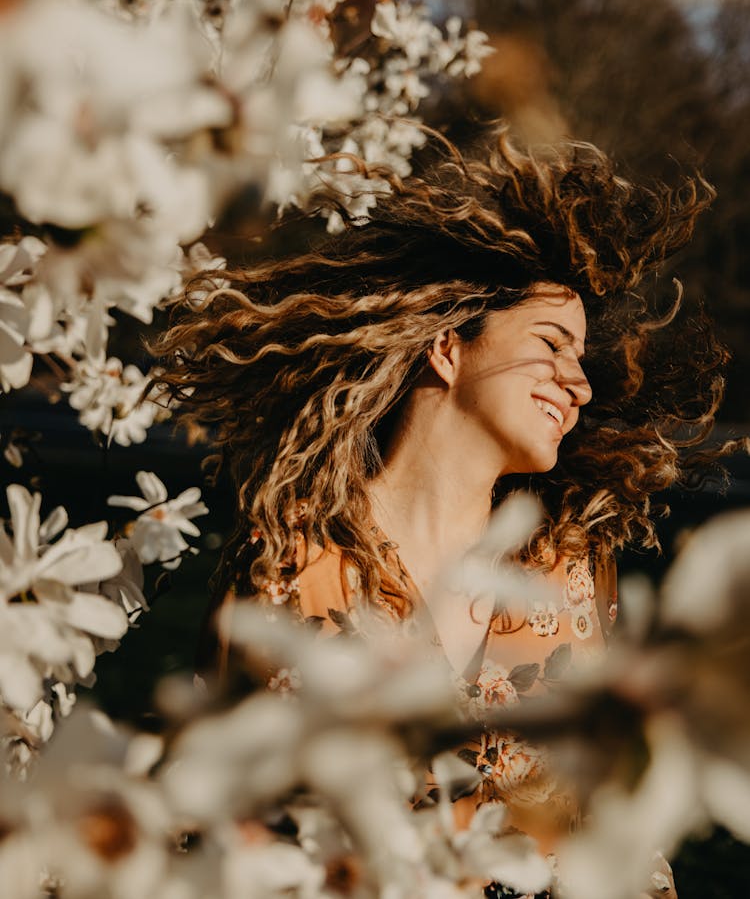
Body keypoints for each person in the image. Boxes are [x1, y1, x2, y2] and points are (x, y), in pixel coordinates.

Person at [155, 132, 726, 897]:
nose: (578, 384)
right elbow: (210, 821)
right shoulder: (291, 564)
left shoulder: (568, 576)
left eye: (581, 361)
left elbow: (619, 836)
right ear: (448, 350)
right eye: (553, 345)